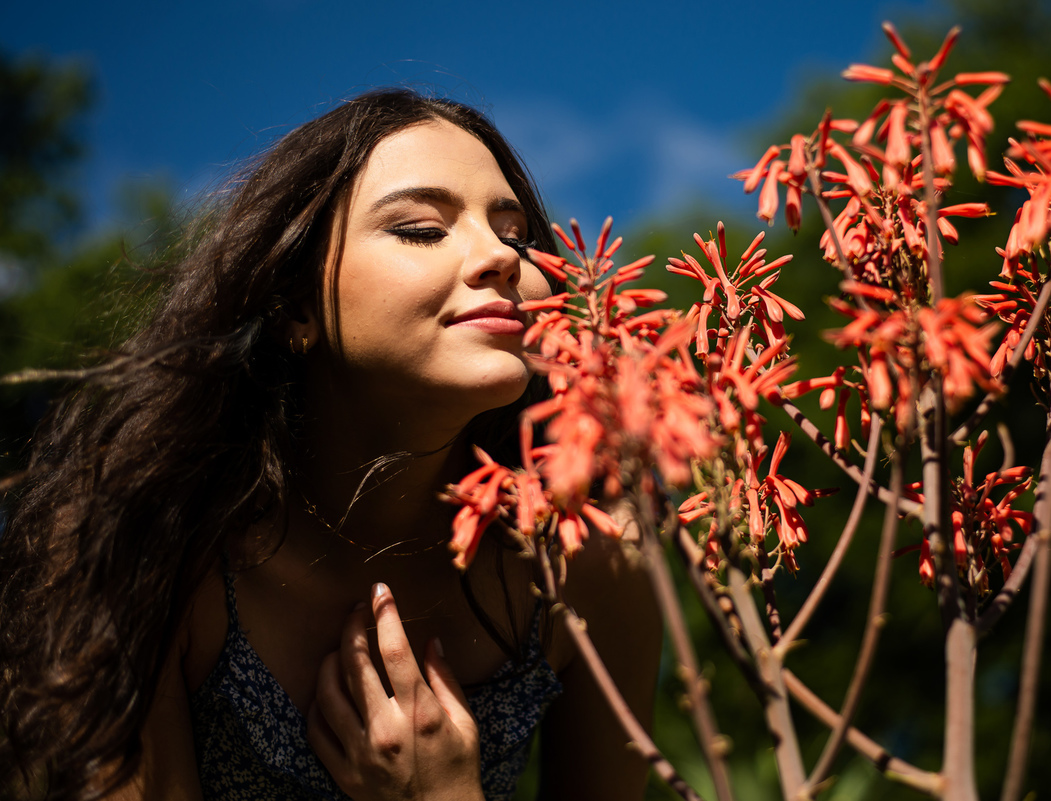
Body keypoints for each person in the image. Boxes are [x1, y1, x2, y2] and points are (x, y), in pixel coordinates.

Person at [0, 89, 660, 801]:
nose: (501, 256)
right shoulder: (158, 550)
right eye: (420, 228)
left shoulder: (589, 563)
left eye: (517, 231)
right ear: (294, 307)